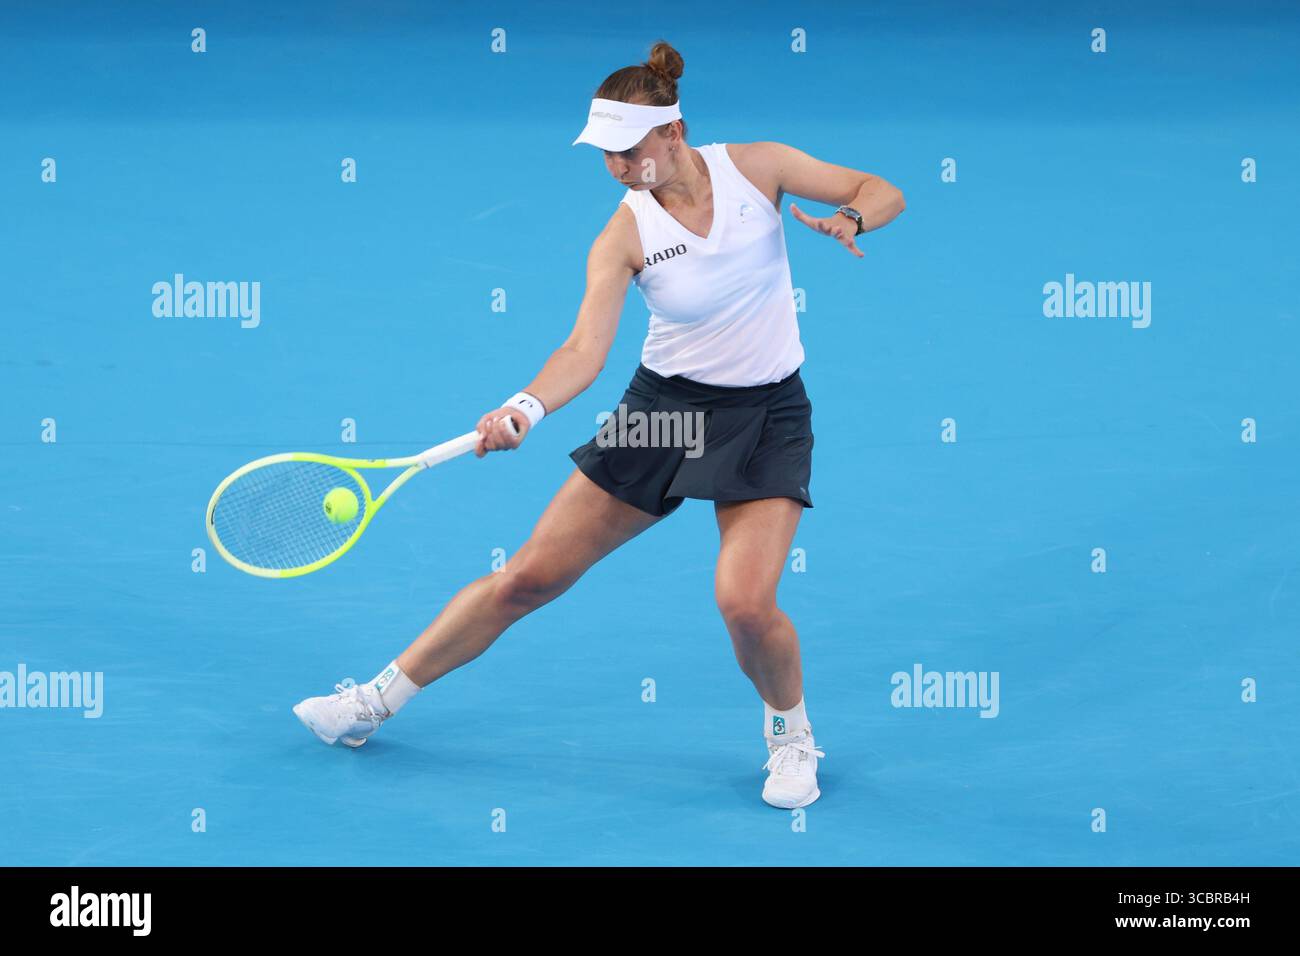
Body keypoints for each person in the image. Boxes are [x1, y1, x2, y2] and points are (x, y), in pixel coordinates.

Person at [294, 40, 905, 809]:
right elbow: (584, 349)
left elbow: (881, 188)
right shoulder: (624, 234)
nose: (617, 165)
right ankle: (371, 702)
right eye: (604, 153)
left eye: (628, 148)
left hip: (764, 416)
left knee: (745, 602)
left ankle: (792, 739)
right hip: (664, 417)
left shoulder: (760, 168)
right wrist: (524, 406)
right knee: (526, 578)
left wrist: (853, 216)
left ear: (672, 133)